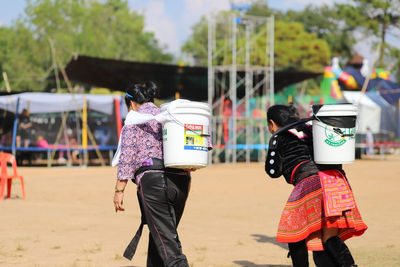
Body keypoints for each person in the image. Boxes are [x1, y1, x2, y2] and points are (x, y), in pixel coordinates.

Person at [265, 104, 367, 267]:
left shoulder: (279, 136)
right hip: (335, 183)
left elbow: (272, 171)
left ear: (272, 123)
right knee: (328, 237)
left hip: (310, 184)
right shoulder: (314, 127)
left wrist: (274, 147)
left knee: (294, 234)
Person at [113, 82, 191, 267]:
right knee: (161, 238)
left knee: (169, 248)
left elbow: (127, 157)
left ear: (130, 103)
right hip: (181, 181)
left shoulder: (134, 120)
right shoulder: (169, 116)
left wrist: (119, 190)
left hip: (154, 184)